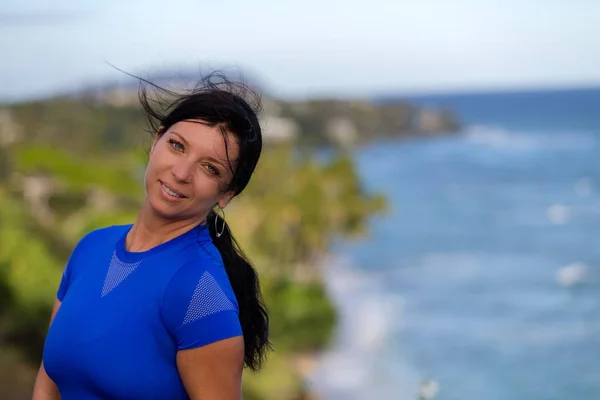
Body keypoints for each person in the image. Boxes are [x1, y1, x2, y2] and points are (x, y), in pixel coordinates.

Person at [31, 72, 271, 400]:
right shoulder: (91, 247)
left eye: (209, 168)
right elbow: (49, 378)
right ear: (156, 142)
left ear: (227, 193)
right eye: (177, 146)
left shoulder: (200, 291)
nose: (181, 173)